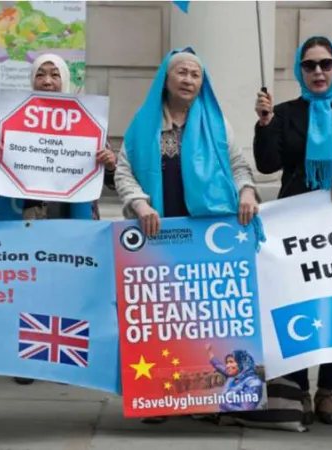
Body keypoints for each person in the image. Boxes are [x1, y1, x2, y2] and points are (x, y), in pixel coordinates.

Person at [115, 47, 262, 423]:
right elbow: (123, 171)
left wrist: (247, 191)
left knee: (204, 317)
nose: (188, 80)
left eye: (195, 75)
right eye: (181, 72)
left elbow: (239, 166)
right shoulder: (144, 122)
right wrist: (140, 204)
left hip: (206, 236)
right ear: (166, 77)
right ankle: (159, 399)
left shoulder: (216, 123)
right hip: (160, 234)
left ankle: (205, 398)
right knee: (162, 315)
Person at [252, 36, 332, 425]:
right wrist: (264, 125)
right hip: (295, 223)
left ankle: (327, 390)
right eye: (309, 65)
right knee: (298, 304)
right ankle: (300, 390)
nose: (318, 72)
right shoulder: (283, 112)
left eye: (325, 64)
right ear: (300, 70)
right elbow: (266, 165)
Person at [0, 53, 117, 385]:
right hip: (25, 220)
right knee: (27, 288)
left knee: (67, 287)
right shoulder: (10, 118)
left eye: (55, 75)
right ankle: (27, 361)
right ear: (32, 80)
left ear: (65, 81)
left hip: (70, 222)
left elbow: (113, 180)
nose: (48, 81)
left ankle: (66, 356)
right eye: (42, 74)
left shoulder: (88, 120)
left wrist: (110, 162)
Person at [206, 344, 263, 412]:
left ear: (242, 363)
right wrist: (209, 351)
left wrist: (224, 405)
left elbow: (246, 410)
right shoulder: (232, 376)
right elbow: (217, 365)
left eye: (231, 362)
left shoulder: (253, 383)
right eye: (227, 362)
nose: (227, 365)